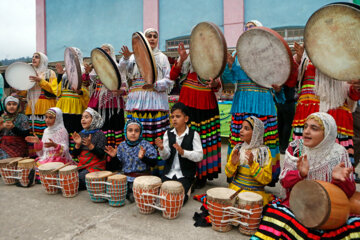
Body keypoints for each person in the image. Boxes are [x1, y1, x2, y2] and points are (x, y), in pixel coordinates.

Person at [251, 112, 358, 239]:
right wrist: (300, 174)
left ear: (327, 134)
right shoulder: (296, 148)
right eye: (305, 126)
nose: (306, 131)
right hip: (298, 207)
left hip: (329, 210)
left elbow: (349, 192)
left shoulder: (338, 153)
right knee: (278, 218)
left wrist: (340, 180)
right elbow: (284, 182)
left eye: (314, 128)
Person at [222, 20, 282, 185]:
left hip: (263, 103)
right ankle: (236, 173)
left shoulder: (271, 57)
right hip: (242, 103)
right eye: (246, 31)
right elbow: (228, 80)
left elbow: (280, 84)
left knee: (265, 141)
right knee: (238, 138)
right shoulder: (238, 56)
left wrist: (278, 89)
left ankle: (264, 176)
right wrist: (229, 66)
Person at [292, 43, 360, 167]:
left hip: (337, 114)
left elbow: (352, 95)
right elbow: (290, 80)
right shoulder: (306, 56)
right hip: (309, 113)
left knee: (335, 166)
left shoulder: (348, 61)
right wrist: (298, 60)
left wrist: (357, 87)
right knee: (302, 162)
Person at [119, 28, 173, 176]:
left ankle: (156, 171)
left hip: (155, 101)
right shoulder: (133, 57)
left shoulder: (162, 58)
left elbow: (169, 79)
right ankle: (134, 168)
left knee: (155, 134)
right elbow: (121, 71)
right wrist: (124, 58)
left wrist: (155, 85)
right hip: (136, 101)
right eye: (149, 36)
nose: (152, 38)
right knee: (135, 133)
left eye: (155, 36)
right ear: (144, 39)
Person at [169, 42, 221, 188]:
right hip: (186, 104)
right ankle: (182, 170)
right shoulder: (186, 61)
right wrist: (180, 59)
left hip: (205, 105)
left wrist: (214, 84)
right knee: (184, 138)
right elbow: (172, 76)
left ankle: (202, 174)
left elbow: (217, 86)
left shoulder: (213, 62)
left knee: (204, 139)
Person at [85, 44, 126, 166]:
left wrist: (120, 91)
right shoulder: (95, 70)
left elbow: (124, 85)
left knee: (114, 130)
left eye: (107, 50)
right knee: (98, 129)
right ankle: (98, 159)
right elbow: (87, 83)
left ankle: (114, 161)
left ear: (112, 52)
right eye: (102, 50)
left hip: (113, 105)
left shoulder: (118, 67)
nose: (104, 52)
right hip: (97, 103)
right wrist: (87, 73)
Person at [155, 102, 203, 205]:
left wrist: (183, 152)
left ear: (186, 119)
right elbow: (165, 156)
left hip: (185, 174)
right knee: (158, 197)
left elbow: (199, 156)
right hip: (169, 173)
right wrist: (162, 148)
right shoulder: (168, 134)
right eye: (172, 117)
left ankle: (190, 186)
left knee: (178, 200)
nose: (174, 119)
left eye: (178, 116)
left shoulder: (194, 135)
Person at [105, 119, 157, 203]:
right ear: (126, 132)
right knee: (110, 188)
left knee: (134, 193)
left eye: (136, 131)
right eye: (130, 130)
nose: (133, 133)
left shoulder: (145, 145)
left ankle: (132, 195)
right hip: (126, 178)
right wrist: (114, 157)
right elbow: (116, 167)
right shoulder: (122, 146)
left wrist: (143, 158)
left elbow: (154, 163)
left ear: (140, 133)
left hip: (141, 179)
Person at [225, 116, 273, 205]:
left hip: (255, 193)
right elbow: (228, 174)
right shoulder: (238, 148)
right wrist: (232, 164)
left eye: (246, 128)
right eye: (241, 127)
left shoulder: (264, 152)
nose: (241, 130)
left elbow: (267, 179)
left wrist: (252, 164)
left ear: (256, 133)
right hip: (235, 190)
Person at [54, 48, 89, 156]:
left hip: (76, 104)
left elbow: (86, 87)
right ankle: (64, 155)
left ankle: (76, 155)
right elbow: (58, 91)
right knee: (63, 131)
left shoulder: (82, 69)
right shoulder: (66, 69)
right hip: (63, 105)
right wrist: (60, 74)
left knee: (75, 130)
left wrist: (80, 91)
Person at [19, 52, 58, 139]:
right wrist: (18, 89)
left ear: (43, 60)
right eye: (33, 57)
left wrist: (40, 81)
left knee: (47, 136)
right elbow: (24, 93)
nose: (33, 59)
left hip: (46, 108)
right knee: (33, 136)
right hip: (32, 109)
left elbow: (54, 90)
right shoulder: (29, 74)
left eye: (37, 57)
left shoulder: (49, 73)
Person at [72, 108, 106, 190]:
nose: (83, 119)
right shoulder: (81, 133)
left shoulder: (100, 134)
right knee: (68, 176)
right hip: (82, 166)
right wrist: (78, 144)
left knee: (76, 180)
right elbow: (74, 155)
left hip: (95, 167)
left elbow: (101, 155)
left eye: (86, 117)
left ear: (94, 119)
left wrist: (90, 145)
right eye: (82, 117)